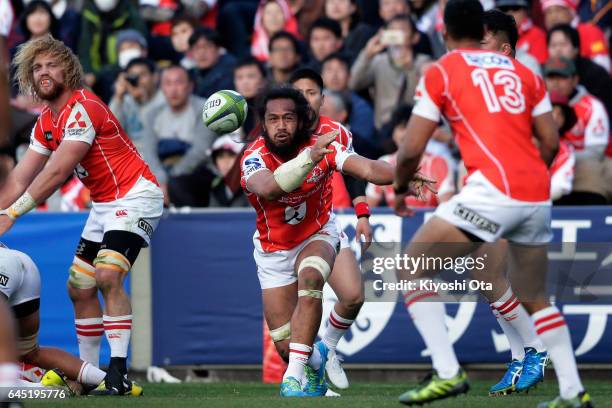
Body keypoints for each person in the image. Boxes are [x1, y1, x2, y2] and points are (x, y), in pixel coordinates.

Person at [393, 0, 590, 406]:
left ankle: (448, 373)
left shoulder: (443, 70)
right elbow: (551, 142)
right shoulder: (526, 73)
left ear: (444, 32)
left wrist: (398, 188)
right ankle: (572, 391)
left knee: (410, 267)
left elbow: (412, 148)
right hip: (535, 191)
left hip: (494, 190)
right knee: (531, 294)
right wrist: (531, 185)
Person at [1, 35, 164, 396]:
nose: (43, 72)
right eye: (37, 66)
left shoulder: (84, 106)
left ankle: (118, 369)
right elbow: (21, 175)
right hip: (105, 205)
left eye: (51, 64)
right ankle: (89, 374)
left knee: (108, 275)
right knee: (79, 287)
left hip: (136, 196)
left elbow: (57, 172)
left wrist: (11, 213)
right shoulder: (46, 119)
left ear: (69, 69)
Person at [240, 86, 399, 397]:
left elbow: (366, 168)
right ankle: (317, 359)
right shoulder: (253, 157)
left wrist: (406, 173)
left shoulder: (323, 146)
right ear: (263, 123)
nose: (281, 125)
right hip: (273, 251)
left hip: (318, 233)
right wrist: (309, 159)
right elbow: (270, 189)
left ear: (302, 121)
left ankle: (291, 380)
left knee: (312, 277)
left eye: (288, 118)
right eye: (273, 119)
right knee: (286, 344)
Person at [290, 68, 376, 389]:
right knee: (287, 328)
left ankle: (327, 348)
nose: (305, 99)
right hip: (283, 236)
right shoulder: (280, 133)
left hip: (323, 226)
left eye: (312, 92)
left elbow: (354, 172)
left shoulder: (336, 132)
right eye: (299, 93)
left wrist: (363, 214)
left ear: (322, 99)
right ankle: (307, 375)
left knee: (353, 296)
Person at [0, 245, 107, 393]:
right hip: (18, 260)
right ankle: (108, 379)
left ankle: (43, 389)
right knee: (30, 352)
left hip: (4, 264)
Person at [141, 64, 214, 207]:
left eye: (179, 82)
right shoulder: (152, 113)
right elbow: (149, 152)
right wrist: (161, 180)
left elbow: (200, 151)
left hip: (194, 173)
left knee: (178, 185)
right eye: (168, 84)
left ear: (190, 86)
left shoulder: (204, 109)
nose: (173, 89)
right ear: (161, 88)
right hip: (162, 174)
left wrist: (170, 180)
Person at [543, 56, 609, 205]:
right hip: (551, 160)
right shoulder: (536, 104)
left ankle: (592, 215)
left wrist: (566, 154)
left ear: (575, 79)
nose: (556, 83)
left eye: (562, 77)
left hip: (585, 163)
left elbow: (596, 151)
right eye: (551, 77)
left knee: (590, 170)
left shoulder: (592, 105)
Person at [350, 14, 431, 129]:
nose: (396, 35)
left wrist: (410, 69)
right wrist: (367, 54)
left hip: (413, 128)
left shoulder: (423, 62)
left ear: (415, 37)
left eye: (402, 30)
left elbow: (418, 98)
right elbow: (353, 83)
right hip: (383, 130)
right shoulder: (379, 61)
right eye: (392, 30)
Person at [109, 57, 165, 156]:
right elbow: (110, 130)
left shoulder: (165, 100)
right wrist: (118, 97)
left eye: (142, 75)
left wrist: (144, 100)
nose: (138, 80)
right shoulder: (124, 100)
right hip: (129, 157)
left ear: (155, 77)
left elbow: (151, 135)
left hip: (156, 156)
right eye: (133, 76)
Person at [541, 0, 610, 71]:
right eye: (548, 12)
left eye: (558, 10)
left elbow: (603, 66)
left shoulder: (590, 31)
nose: (553, 17)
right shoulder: (542, 37)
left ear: (571, 12)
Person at [189, 27, 237, 98]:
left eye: (207, 46)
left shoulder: (232, 70)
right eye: (196, 48)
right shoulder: (190, 73)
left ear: (218, 48)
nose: (201, 53)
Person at [495, 0, 547, 65]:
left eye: (515, 8)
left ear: (526, 11)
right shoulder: (493, 35)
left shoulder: (537, 34)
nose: (510, 13)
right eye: (504, 9)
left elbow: (537, 66)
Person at [233, 57, 267, 137]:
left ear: (263, 81)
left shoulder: (272, 108)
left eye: (251, 76)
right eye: (239, 77)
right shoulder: (231, 111)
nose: (245, 82)